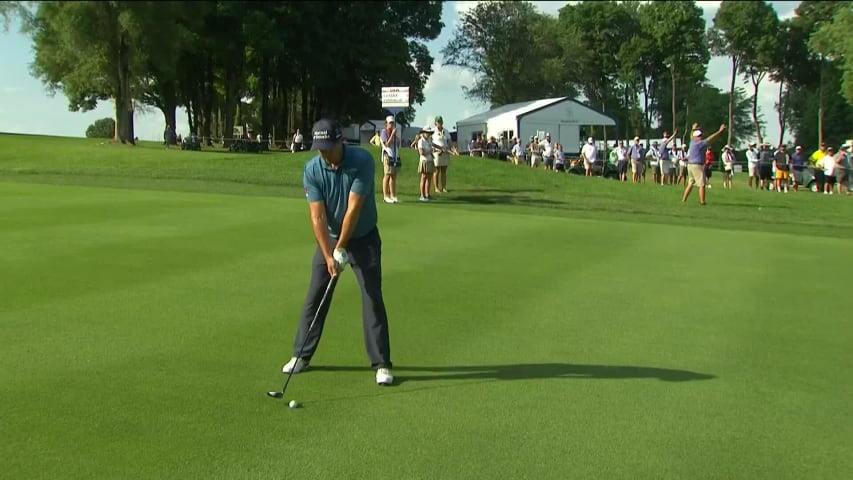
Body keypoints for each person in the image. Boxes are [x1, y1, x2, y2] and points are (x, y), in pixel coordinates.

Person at [282, 118, 394, 386]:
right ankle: (301, 356)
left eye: (328, 147)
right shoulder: (312, 169)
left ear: (340, 141)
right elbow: (317, 217)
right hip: (330, 239)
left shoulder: (363, 162)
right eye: (319, 148)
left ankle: (382, 364)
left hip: (364, 237)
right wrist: (329, 253)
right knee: (316, 295)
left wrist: (342, 247)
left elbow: (353, 210)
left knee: (371, 296)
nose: (324, 153)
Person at [682, 124, 726, 205]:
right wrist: (719, 132)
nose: (700, 137)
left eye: (701, 135)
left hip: (690, 165)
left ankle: (684, 200)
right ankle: (702, 202)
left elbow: (691, 135)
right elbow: (710, 138)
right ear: (695, 137)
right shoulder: (700, 144)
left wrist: (693, 129)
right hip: (697, 166)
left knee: (691, 183)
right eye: (699, 136)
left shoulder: (692, 142)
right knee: (702, 184)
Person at [432, 116, 455, 193]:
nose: (439, 123)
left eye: (440, 122)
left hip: (445, 152)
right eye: (438, 122)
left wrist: (453, 149)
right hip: (437, 152)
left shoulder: (446, 131)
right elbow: (431, 142)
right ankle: (436, 187)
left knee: (444, 171)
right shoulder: (433, 131)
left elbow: (449, 141)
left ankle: (444, 187)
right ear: (435, 123)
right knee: (437, 170)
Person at [380, 116, 400, 204]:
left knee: (393, 176)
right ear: (386, 124)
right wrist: (392, 135)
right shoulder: (384, 132)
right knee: (387, 175)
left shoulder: (393, 132)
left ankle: (393, 195)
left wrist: (395, 136)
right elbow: (387, 144)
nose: (391, 124)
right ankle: (385, 196)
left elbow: (398, 143)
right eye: (390, 123)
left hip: (394, 156)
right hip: (387, 155)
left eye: (392, 123)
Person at [417, 126, 435, 202]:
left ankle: (427, 194)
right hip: (424, 160)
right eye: (427, 133)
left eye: (429, 133)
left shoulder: (430, 140)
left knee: (429, 178)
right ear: (423, 133)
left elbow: (433, 146)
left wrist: (440, 148)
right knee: (424, 177)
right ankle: (422, 195)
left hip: (430, 160)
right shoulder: (421, 141)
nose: (428, 134)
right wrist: (430, 151)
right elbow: (421, 152)